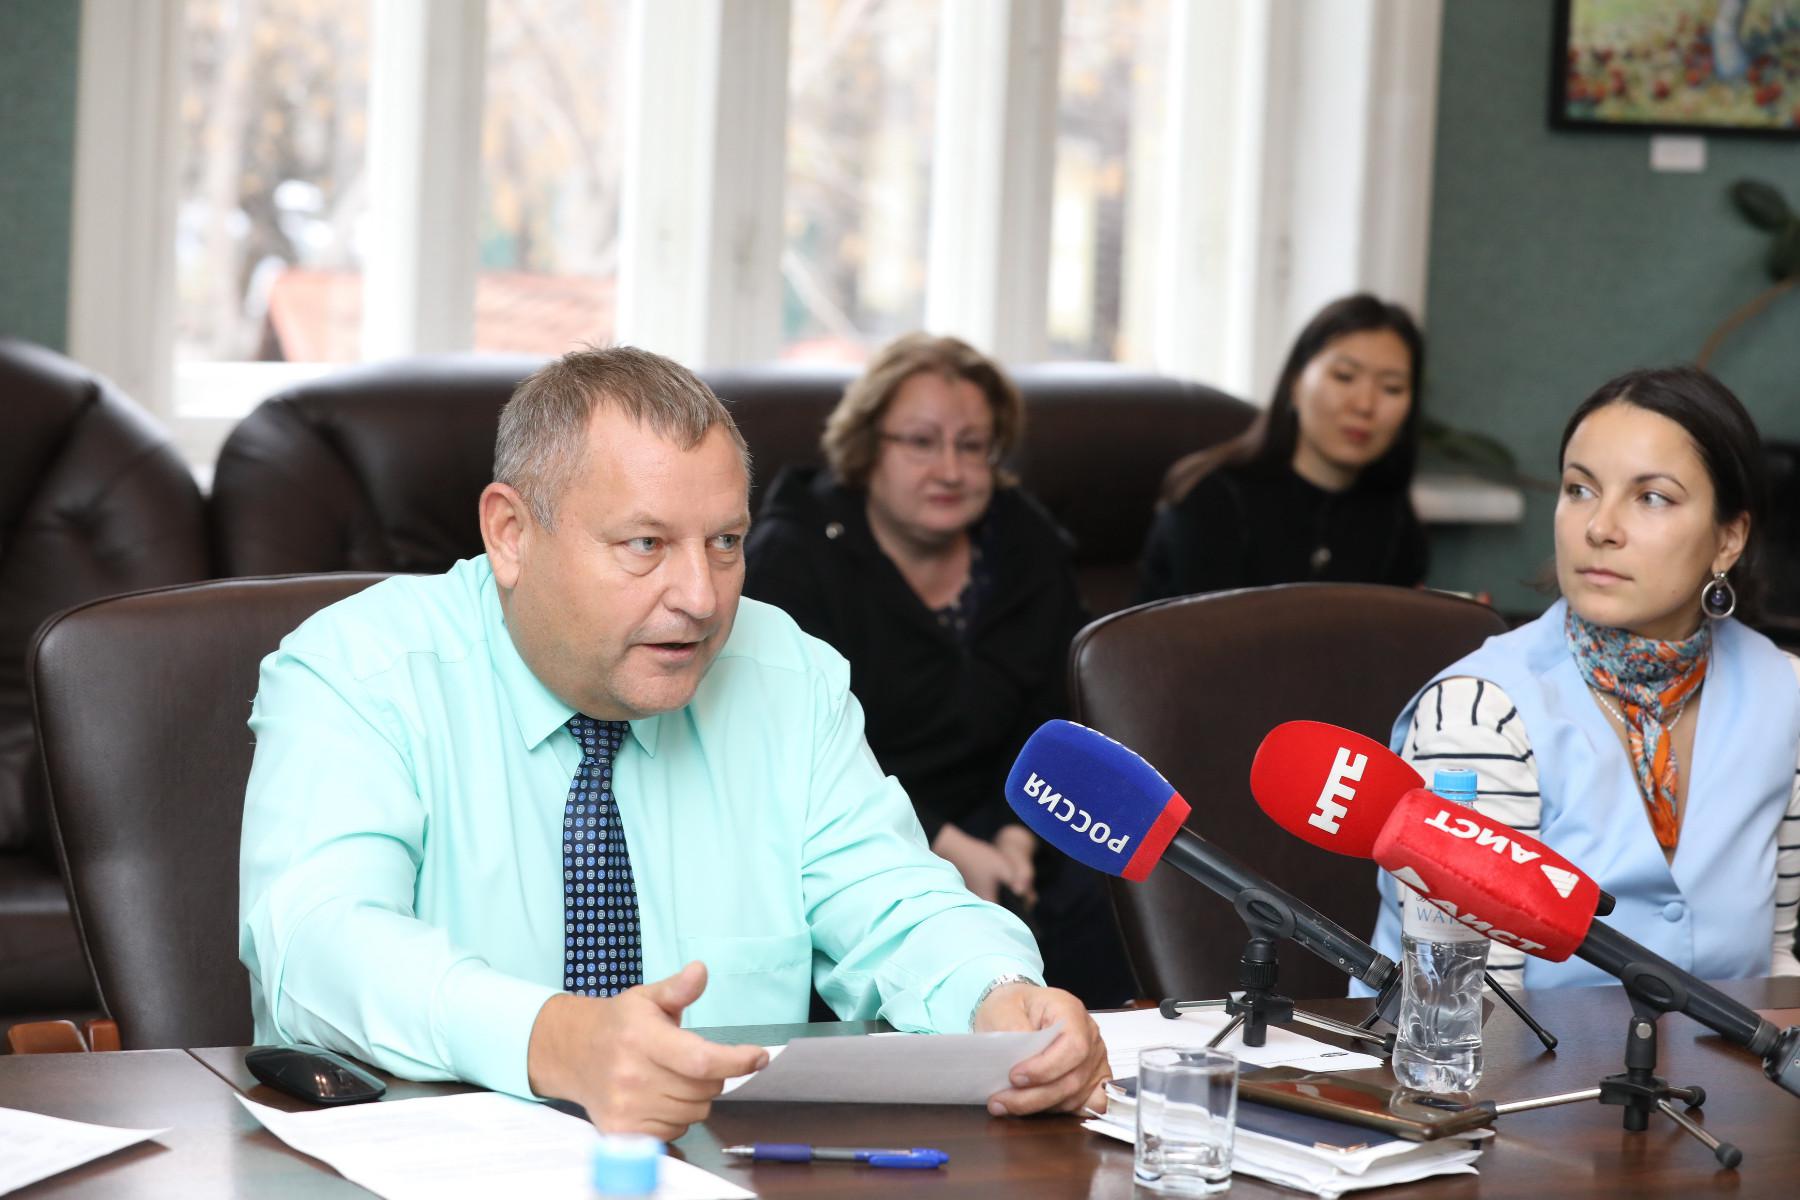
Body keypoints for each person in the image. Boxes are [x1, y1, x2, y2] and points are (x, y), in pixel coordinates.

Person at [237, 347, 1110, 1140]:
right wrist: (557, 1040)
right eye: (645, 544)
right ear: (511, 534)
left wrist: (999, 997)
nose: (700, 597)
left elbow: (895, 904)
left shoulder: (786, 674)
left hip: (718, 1163)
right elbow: (318, 942)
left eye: (725, 542)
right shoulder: (361, 672)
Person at [1362, 365, 1800, 991]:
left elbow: (1774, 964)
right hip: (1504, 1052)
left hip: (1723, 1059)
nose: (1599, 527)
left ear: (1728, 540)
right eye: (1580, 489)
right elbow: (1472, 1004)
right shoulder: (1481, 712)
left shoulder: (1785, 694)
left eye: (1652, 497)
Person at [743, 333, 1135, 1007]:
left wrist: (1019, 830)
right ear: (868, 448)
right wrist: (943, 842)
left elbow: (1059, 707)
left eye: (973, 445)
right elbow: (795, 749)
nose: (950, 470)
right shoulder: (794, 555)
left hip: (1014, 818)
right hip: (857, 828)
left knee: (1110, 891)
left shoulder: (1024, 541)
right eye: (921, 443)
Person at [1137, 293, 1428, 602]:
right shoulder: (1211, 497)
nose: (1365, 405)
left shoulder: (1395, 516)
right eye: (1344, 377)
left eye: (1392, 388)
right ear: (1295, 382)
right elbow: (1212, 630)